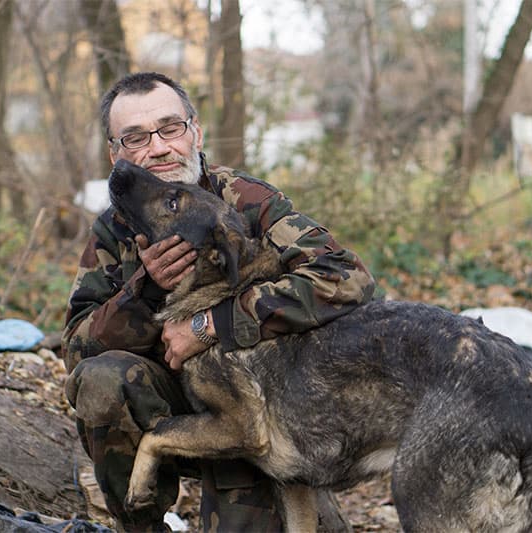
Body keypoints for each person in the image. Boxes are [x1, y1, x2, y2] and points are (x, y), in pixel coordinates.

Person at [62, 72, 375, 533]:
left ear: (195, 132)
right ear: (116, 154)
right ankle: (142, 525)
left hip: (251, 406)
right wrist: (144, 291)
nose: (159, 147)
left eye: (171, 128)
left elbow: (346, 277)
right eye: (136, 137)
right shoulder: (115, 228)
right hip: (165, 400)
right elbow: (75, 346)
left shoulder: (247, 203)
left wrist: (213, 323)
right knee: (102, 380)